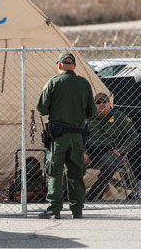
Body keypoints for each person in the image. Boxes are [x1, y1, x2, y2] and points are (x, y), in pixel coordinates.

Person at [36, 52, 96, 219]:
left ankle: (53, 210)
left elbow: (42, 109)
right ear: (74, 66)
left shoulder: (53, 82)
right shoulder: (84, 84)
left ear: (59, 66)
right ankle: (77, 210)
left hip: (58, 137)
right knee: (76, 173)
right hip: (77, 137)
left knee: (55, 172)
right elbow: (92, 111)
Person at [85, 92, 139, 201]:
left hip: (110, 151)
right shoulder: (88, 118)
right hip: (89, 151)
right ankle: (68, 194)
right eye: (98, 102)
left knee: (108, 163)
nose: (102, 104)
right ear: (94, 104)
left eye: (105, 101)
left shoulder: (119, 117)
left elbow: (133, 135)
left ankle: (92, 194)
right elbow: (79, 136)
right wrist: (83, 152)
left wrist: (121, 150)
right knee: (72, 160)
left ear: (109, 104)